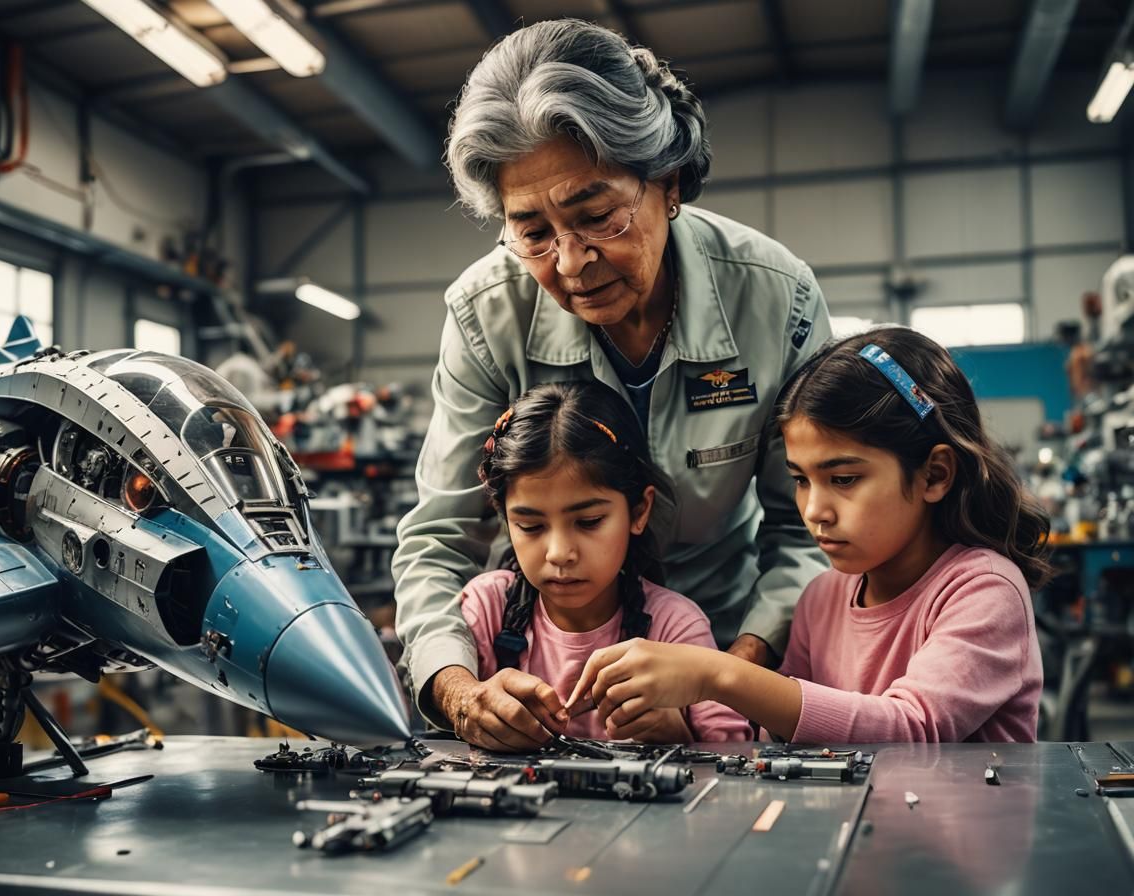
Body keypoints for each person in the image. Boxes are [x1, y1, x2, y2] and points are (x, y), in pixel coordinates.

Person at [392, 18, 831, 747]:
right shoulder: (483, 315)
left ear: (669, 183)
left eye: (596, 217)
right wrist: (462, 693)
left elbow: (806, 531)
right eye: (531, 233)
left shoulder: (775, 299)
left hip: (731, 639)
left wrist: (726, 677)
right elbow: (440, 536)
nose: (569, 263)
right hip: (544, 669)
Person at [567, 326, 1053, 743]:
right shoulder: (821, 598)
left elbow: (913, 729)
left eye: (843, 479)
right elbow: (781, 736)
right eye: (800, 479)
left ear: (935, 475)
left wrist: (718, 674)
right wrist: (679, 729)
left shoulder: (983, 591)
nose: (815, 510)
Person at [461, 381, 750, 747]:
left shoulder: (675, 627)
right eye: (531, 526)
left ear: (639, 511)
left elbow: (734, 757)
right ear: (505, 518)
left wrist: (677, 734)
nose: (559, 553)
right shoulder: (487, 609)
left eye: (588, 522)